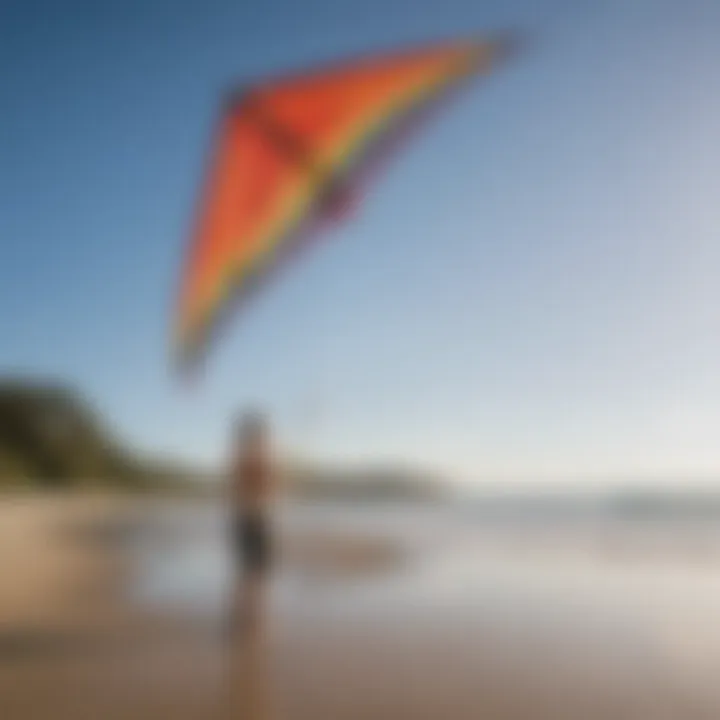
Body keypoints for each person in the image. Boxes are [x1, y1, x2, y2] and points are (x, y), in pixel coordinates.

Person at [229, 410, 277, 633]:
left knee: (251, 570)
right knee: (255, 570)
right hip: (253, 521)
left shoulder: (244, 459)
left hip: (247, 520)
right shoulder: (252, 460)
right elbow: (262, 489)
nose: (264, 439)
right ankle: (249, 616)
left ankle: (247, 614)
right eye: (261, 435)